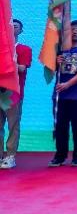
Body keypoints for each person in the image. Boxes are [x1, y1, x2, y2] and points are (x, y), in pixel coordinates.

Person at [49, 20, 77, 167]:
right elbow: (50, 71)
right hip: (60, 96)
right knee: (60, 127)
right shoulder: (60, 50)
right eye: (72, 29)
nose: (74, 31)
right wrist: (55, 62)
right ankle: (60, 156)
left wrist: (68, 84)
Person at [0, 19, 32, 169]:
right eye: (10, 26)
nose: (13, 28)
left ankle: (10, 156)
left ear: (21, 30)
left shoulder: (24, 49)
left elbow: (22, 68)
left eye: (16, 26)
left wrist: (8, 61)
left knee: (13, 125)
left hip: (13, 93)